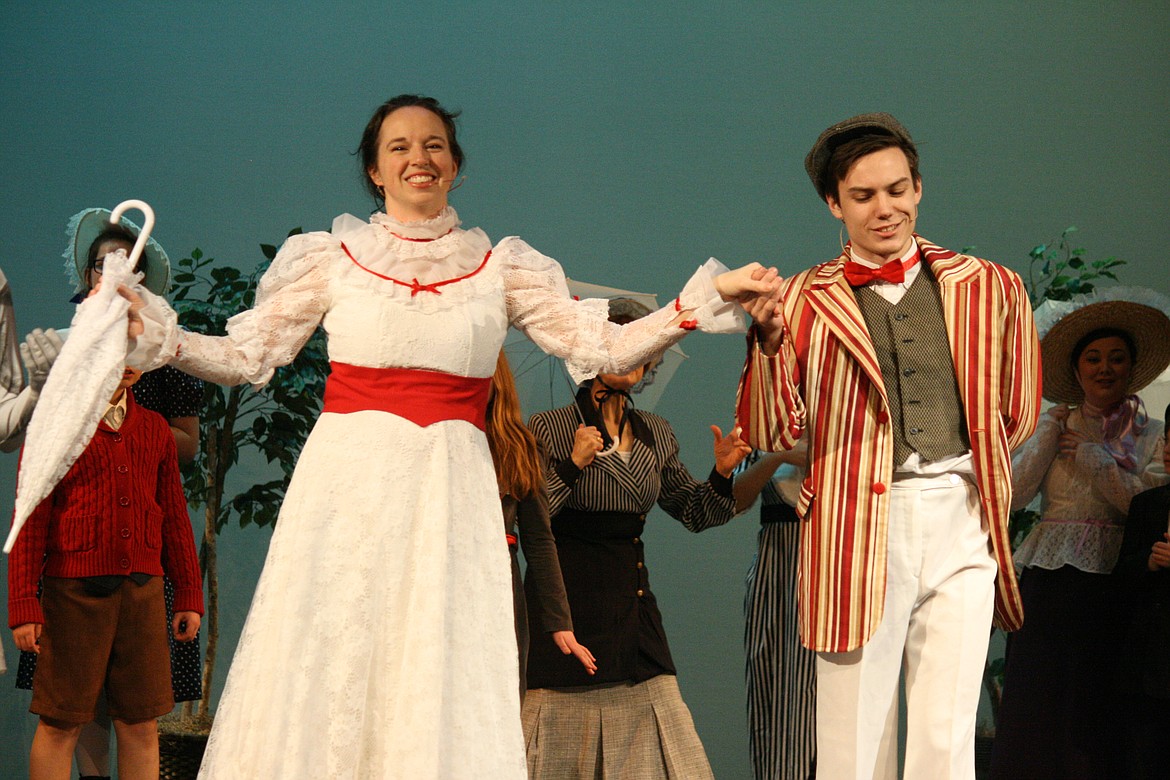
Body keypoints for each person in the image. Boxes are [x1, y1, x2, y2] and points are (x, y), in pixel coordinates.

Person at [115, 94, 777, 778]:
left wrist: (708, 296)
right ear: (374, 170)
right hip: (350, 484)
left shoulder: (499, 267)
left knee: (437, 664)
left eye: (434, 145)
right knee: (336, 656)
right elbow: (243, 355)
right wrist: (158, 335)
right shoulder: (333, 258)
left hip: (451, 489)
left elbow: (602, 345)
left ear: (455, 165)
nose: (418, 158)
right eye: (398, 146)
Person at [736, 113, 1041, 780]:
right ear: (833, 203)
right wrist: (766, 345)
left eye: (898, 190)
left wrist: (965, 474)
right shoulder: (804, 300)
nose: (886, 209)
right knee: (854, 732)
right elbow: (770, 432)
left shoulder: (989, 286)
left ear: (920, 188)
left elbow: (1015, 413)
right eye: (865, 196)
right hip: (858, 524)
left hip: (962, 519)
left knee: (947, 731)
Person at [521, 297, 750, 778]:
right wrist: (572, 464)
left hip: (631, 604)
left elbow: (693, 511)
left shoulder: (656, 432)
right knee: (555, 749)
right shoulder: (547, 428)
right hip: (567, 604)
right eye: (623, 344)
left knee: (664, 733)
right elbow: (531, 522)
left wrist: (722, 474)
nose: (637, 357)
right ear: (594, 352)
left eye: (645, 346)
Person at [13, 209, 205, 780]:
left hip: (142, 588)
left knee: (141, 719)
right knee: (65, 717)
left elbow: (172, 514)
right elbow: (32, 514)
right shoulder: (61, 406)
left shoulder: (153, 409)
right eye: (103, 265)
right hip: (73, 590)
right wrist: (24, 602)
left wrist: (189, 593)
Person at [989, 290, 1170, 779]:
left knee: (1096, 706)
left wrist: (1095, 459)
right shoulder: (1055, 425)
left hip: (1115, 583)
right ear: (1077, 368)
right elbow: (1014, 496)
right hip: (1049, 581)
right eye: (1093, 358)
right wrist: (1048, 436)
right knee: (1037, 696)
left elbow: (1146, 510)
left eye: (1116, 358)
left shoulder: (1152, 434)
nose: (1104, 368)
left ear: (1131, 367)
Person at [485, 350, 595, 701]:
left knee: (497, 694)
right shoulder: (431, 439)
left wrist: (559, 620)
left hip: (499, 586)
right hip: (434, 581)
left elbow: (539, 540)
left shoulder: (520, 446)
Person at [733, 443, 816, 780]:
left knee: (825, 698)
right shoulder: (764, 421)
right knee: (773, 690)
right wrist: (778, 457)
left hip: (833, 558)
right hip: (777, 564)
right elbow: (736, 498)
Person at [1114, 404, 1170, 780]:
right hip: (1151, 663)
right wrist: (1148, 562)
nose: (1169, 450)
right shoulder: (1147, 505)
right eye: (1169, 439)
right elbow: (1120, 578)